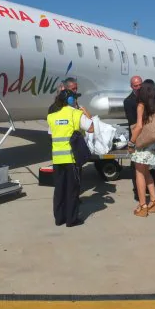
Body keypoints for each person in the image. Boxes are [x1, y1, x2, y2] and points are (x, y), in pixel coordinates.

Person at [47, 89, 94, 227]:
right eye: (75, 98)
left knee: (59, 190)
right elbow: (91, 128)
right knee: (72, 190)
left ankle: (59, 218)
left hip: (57, 159)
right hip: (71, 159)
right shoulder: (76, 113)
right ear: (71, 101)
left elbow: (51, 134)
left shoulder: (52, 116)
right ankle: (71, 220)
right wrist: (84, 112)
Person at [127, 80, 155, 217]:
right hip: (153, 144)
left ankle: (142, 206)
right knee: (147, 172)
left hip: (142, 145)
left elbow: (139, 127)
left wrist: (131, 143)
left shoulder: (141, 105)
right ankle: (154, 202)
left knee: (139, 174)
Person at [123, 76, 155, 196]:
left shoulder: (148, 98)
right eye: (135, 85)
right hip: (137, 137)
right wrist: (132, 142)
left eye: (140, 85)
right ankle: (139, 193)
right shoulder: (128, 101)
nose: (138, 87)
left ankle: (152, 192)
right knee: (137, 168)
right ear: (131, 86)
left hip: (149, 137)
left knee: (149, 166)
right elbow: (133, 123)